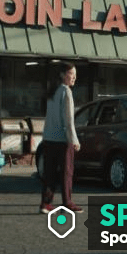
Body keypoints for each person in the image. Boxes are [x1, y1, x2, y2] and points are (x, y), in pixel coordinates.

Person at [39, 61, 83, 214]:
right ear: (63, 75)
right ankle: (67, 203)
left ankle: (45, 204)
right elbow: (68, 120)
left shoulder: (52, 91)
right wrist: (74, 140)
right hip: (63, 140)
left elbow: (49, 116)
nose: (74, 78)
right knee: (66, 173)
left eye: (75, 75)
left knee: (49, 173)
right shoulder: (66, 92)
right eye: (72, 74)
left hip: (49, 138)